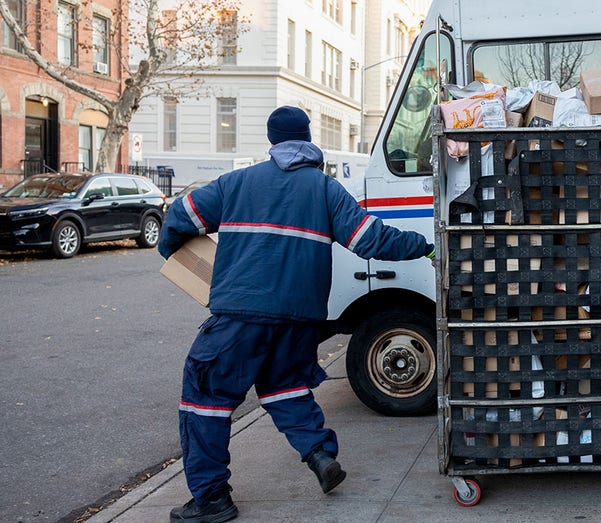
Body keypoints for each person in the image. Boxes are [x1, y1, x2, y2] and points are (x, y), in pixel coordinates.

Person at [158, 105, 435, 523]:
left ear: (272, 141)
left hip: (241, 314)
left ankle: (212, 498)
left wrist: (172, 249)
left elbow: (180, 215)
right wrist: (424, 245)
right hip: (301, 318)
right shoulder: (326, 190)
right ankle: (320, 453)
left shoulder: (236, 183)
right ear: (307, 139)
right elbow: (371, 239)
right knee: (285, 387)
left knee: (205, 400)